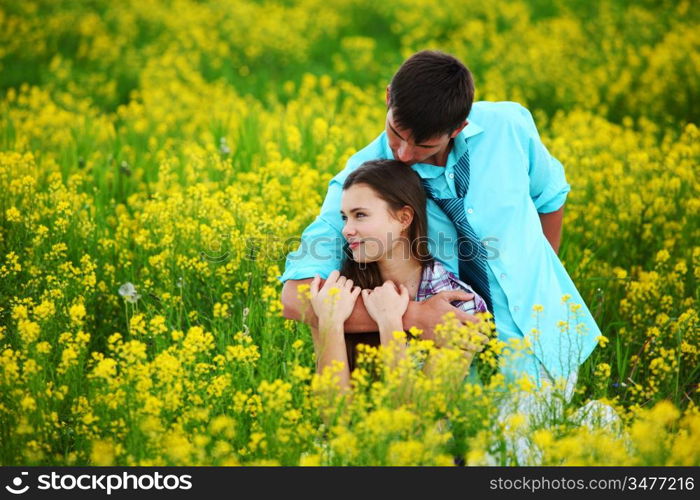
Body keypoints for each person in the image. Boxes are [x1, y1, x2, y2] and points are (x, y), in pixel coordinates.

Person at [280, 49, 600, 399]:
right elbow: (295, 298)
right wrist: (412, 317)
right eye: (396, 133)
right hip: (457, 374)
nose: (403, 154)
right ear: (388, 97)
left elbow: (550, 197)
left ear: (458, 128)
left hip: (550, 342)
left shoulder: (510, 127)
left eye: (423, 145)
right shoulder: (362, 183)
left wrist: (538, 276)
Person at [305, 159, 490, 390]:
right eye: (344, 217)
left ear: (404, 219)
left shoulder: (459, 306)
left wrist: (390, 322)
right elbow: (332, 415)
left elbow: (418, 419)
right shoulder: (339, 294)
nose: (346, 229)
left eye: (360, 215)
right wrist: (330, 323)